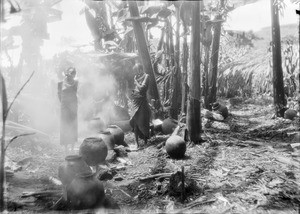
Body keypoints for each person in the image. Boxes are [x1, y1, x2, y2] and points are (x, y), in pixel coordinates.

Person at [129, 63, 151, 148]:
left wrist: (136, 82)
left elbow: (142, 89)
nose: (136, 72)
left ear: (141, 69)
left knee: (143, 121)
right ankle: (136, 143)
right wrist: (133, 92)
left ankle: (145, 141)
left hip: (142, 103)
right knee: (134, 121)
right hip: (135, 102)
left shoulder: (146, 76)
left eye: (137, 70)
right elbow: (136, 89)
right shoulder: (137, 77)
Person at [58, 67, 78, 154]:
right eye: (70, 73)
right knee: (65, 125)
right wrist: (64, 104)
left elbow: (75, 92)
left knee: (73, 125)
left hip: (73, 106)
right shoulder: (60, 83)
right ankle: (66, 147)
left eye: (73, 74)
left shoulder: (76, 82)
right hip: (64, 106)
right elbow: (59, 95)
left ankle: (72, 147)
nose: (72, 75)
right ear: (67, 74)